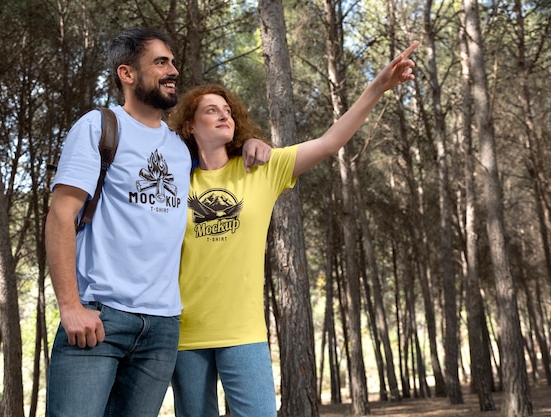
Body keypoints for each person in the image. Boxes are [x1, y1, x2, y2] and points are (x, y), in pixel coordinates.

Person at [167, 41, 419, 417]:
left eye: (228, 111)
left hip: (244, 333)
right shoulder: (171, 182)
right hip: (185, 334)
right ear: (189, 125)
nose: (223, 115)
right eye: (210, 110)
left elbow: (330, 141)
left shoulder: (262, 169)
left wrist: (377, 87)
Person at [44, 27, 270, 417]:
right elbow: (61, 214)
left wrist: (252, 141)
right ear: (127, 74)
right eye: (160, 62)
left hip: (163, 330)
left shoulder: (180, 150)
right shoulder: (99, 127)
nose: (173, 71)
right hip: (100, 318)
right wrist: (70, 306)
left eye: (173, 62)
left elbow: (221, 152)